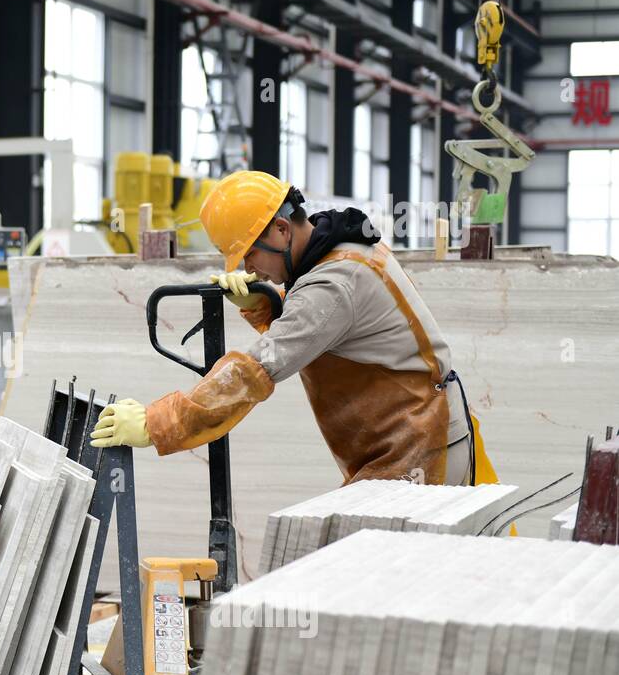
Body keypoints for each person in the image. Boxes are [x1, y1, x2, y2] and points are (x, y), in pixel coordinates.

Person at [90, 169, 492, 486]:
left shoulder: (334, 283)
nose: (249, 269)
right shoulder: (339, 251)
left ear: (281, 230)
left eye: (249, 256)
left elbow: (254, 371)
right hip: (409, 435)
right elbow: (325, 334)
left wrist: (155, 423)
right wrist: (264, 304)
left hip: (420, 444)